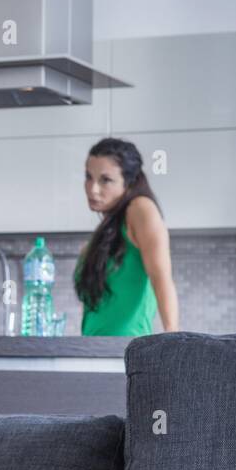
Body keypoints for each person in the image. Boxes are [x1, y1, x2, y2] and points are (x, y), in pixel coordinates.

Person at [76, 137, 181, 335]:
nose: (92, 189)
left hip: (124, 352)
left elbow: (161, 277)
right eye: (88, 177)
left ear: (129, 182)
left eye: (105, 180)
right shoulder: (110, 228)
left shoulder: (141, 208)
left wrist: (173, 340)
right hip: (95, 350)